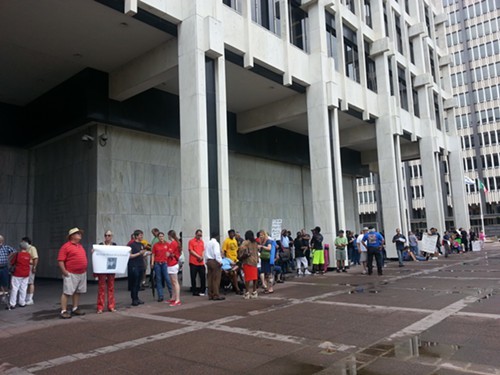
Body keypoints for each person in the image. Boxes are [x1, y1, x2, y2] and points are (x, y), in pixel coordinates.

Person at [57, 228, 88, 319]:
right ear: (72, 236)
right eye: (77, 233)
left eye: (79, 233)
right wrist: (64, 271)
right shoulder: (65, 246)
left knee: (78, 292)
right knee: (67, 292)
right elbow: (60, 260)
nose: (80, 235)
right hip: (71, 273)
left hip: (81, 273)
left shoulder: (80, 246)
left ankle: (75, 308)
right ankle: (63, 310)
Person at [95, 230, 117, 313]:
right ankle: (100, 307)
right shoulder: (100, 245)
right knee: (101, 287)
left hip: (111, 267)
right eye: (106, 235)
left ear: (111, 236)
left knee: (111, 287)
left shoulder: (114, 245)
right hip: (102, 269)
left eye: (109, 235)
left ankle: (111, 306)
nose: (107, 237)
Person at [7, 242, 31, 309]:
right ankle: (22, 302)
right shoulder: (28, 255)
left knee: (15, 288)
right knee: (23, 288)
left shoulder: (17, 254)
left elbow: (12, 262)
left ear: (20, 247)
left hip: (17, 273)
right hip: (26, 273)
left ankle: (12, 304)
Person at [151, 232, 173, 303]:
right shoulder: (155, 245)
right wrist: (152, 263)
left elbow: (170, 253)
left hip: (165, 263)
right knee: (158, 279)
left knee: (167, 278)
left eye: (162, 236)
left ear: (164, 237)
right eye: (160, 236)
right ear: (158, 237)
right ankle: (160, 296)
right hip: (157, 263)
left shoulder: (167, 244)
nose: (161, 238)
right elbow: (153, 254)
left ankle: (171, 293)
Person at [238, 230, 259, 299]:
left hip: (248, 261)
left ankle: (247, 293)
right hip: (255, 261)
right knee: (254, 278)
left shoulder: (246, 242)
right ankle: (254, 291)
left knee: (247, 278)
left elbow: (241, 249)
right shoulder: (255, 242)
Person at [128, 229, 147, 306]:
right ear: (136, 236)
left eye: (142, 235)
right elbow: (130, 256)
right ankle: (134, 299)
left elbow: (142, 254)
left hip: (140, 265)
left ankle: (137, 297)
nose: (141, 236)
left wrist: (146, 254)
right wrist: (139, 253)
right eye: (140, 235)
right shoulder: (131, 245)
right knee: (134, 282)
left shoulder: (141, 245)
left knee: (139, 283)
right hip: (134, 265)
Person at [222, 229, 243, 295]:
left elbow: (236, 250)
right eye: (231, 233)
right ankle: (236, 287)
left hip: (235, 259)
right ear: (229, 234)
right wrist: (225, 258)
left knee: (239, 264)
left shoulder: (235, 241)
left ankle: (232, 271)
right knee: (234, 273)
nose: (232, 234)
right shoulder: (226, 241)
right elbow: (224, 251)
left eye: (233, 233)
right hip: (229, 259)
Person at [205, 232, 225, 301]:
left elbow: (205, 252)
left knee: (210, 279)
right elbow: (217, 253)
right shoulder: (216, 243)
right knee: (216, 279)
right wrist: (220, 261)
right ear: (217, 236)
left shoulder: (208, 243)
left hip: (208, 261)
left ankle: (210, 295)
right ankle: (216, 295)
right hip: (214, 261)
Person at [188, 229, 206, 296]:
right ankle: (194, 291)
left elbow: (203, 250)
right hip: (193, 262)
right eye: (198, 235)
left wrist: (202, 257)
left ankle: (203, 290)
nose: (199, 236)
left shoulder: (202, 242)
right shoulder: (191, 241)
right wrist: (198, 256)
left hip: (200, 262)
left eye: (200, 235)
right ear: (195, 234)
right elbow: (191, 251)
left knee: (203, 276)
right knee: (193, 277)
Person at [21, 236, 38, 306]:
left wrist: (34, 267)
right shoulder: (25, 249)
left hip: (30, 265)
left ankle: (30, 299)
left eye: (22, 241)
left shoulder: (32, 248)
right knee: (25, 283)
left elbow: (35, 258)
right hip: (25, 266)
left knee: (30, 282)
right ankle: (26, 297)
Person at [167, 230, 182, 306]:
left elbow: (168, 253)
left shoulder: (173, 243)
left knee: (175, 282)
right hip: (171, 263)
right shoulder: (176, 243)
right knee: (173, 282)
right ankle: (173, 297)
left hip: (172, 263)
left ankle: (177, 299)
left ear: (169, 235)